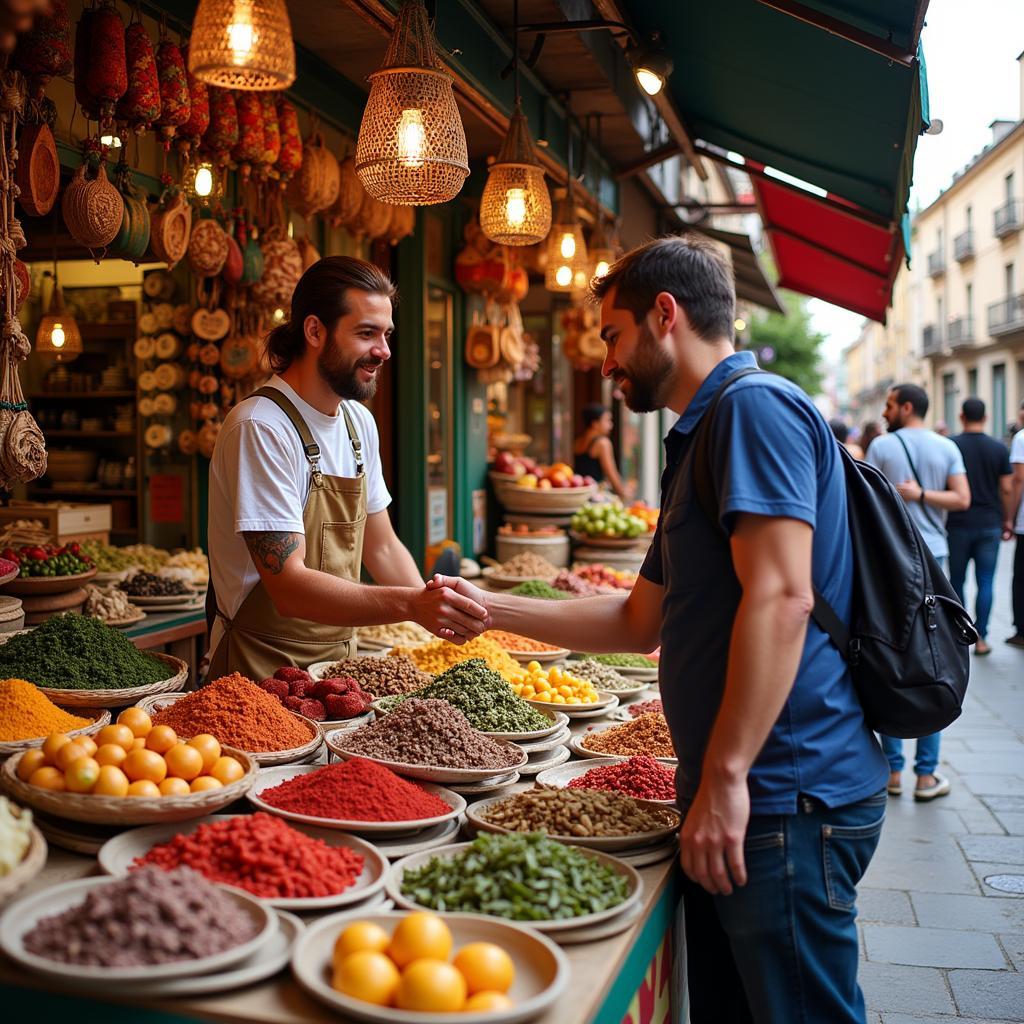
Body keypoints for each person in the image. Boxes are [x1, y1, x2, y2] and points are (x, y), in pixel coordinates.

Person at [431, 236, 889, 1024]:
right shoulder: (703, 434)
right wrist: (486, 608)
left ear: (664, 317)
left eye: (612, 336)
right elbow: (638, 619)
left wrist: (727, 777)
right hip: (753, 794)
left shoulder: (753, 410)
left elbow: (782, 598)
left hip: (785, 794)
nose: (605, 362)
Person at [205, 256, 488, 682]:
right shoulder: (261, 427)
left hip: (337, 671)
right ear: (315, 330)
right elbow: (288, 587)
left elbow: (382, 546)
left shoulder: (358, 423)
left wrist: (436, 621)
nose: (384, 351)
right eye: (366, 333)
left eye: (387, 334)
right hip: (257, 674)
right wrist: (411, 605)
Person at [866, 384, 970, 802]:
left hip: (887, 566)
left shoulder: (882, 446)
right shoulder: (946, 447)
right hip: (935, 565)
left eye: (890, 404)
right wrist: (926, 496)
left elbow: (866, 499)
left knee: (888, 654)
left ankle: (893, 770)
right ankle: (926, 776)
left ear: (906, 407)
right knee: (933, 657)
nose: (886, 410)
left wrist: (909, 494)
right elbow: (962, 499)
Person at [947, 398, 1014, 656]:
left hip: (959, 523)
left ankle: (957, 636)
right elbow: (1007, 488)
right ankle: (982, 638)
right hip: (989, 525)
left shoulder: (952, 445)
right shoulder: (998, 448)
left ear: (961, 416)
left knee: (956, 582)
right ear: (985, 418)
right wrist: (1007, 520)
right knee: (986, 582)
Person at [573, 403, 631, 500]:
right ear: (595, 423)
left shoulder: (578, 442)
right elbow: (611, 473)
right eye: (607, 420)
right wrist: (623, 492)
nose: (611, 425)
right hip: (595, 497)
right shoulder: (602, 443)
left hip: (579, 494)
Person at [1009, 417, 1024, 648]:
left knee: (1021, 577)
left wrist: (1009, 517)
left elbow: (1018, 478)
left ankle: (1022, 631)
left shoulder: (1021, 438)